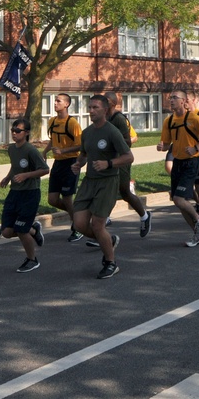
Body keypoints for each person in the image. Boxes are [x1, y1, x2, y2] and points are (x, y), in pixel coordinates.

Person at [71, 95, 133, 279]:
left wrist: (109, 163)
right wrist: (78, 164)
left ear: (105, 110)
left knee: (98, 225)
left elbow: (128, 157)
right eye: (89, 107)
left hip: (107, 181)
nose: (91, 110)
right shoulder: (87, 132)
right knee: (79, 224)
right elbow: (84, 154)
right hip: (89, 181)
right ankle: (109, 240)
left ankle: (111, 262)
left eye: (95, 107)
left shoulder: (112, 131)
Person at [157, 90, 199, 247]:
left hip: (191, 162)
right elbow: (166, 145)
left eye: (174, 98)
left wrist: (196, 147)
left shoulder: (194, 119)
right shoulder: (168, 121)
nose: (171, 100)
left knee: (179, 199)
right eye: (170, 97)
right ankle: (198, 233)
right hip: (178, 162)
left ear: (184, 101)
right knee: (177, 201)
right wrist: (161, 147)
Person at [0, 119, 49, 273]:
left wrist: (26, 176)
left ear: (26, 133)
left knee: (21, 230)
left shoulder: (31, 150)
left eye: (18, 131)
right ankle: (34, 230)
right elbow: (15, 166)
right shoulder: (12, 149)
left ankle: (32, 259)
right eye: (13, 130)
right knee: (6, 232)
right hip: (15, 192)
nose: (14, 133)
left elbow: (45, 170)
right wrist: (7, 177)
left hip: (30, 193)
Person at [105, 91, 152, 238]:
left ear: (112, 103)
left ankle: (144, 216)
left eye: (105, 100)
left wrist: (113, 144)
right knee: (108, 190)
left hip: (121, 160)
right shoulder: (103, 118)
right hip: (109, 161)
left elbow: (127, 141)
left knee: (124, 192)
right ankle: (100, 228)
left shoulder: (119, 119)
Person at [42, 93, 84, 243]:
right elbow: (53, 140)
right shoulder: (52, 121)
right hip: (58, 163)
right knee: (52, 200)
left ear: (66, 104)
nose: (55, 103)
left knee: (67, 197)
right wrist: (45, 151)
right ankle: (78, 215)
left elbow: (81, 145)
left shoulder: (72, 123)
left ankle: (78, 228)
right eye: (55, 101)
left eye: (58, 101)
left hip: (71, 162)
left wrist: (64, 151)